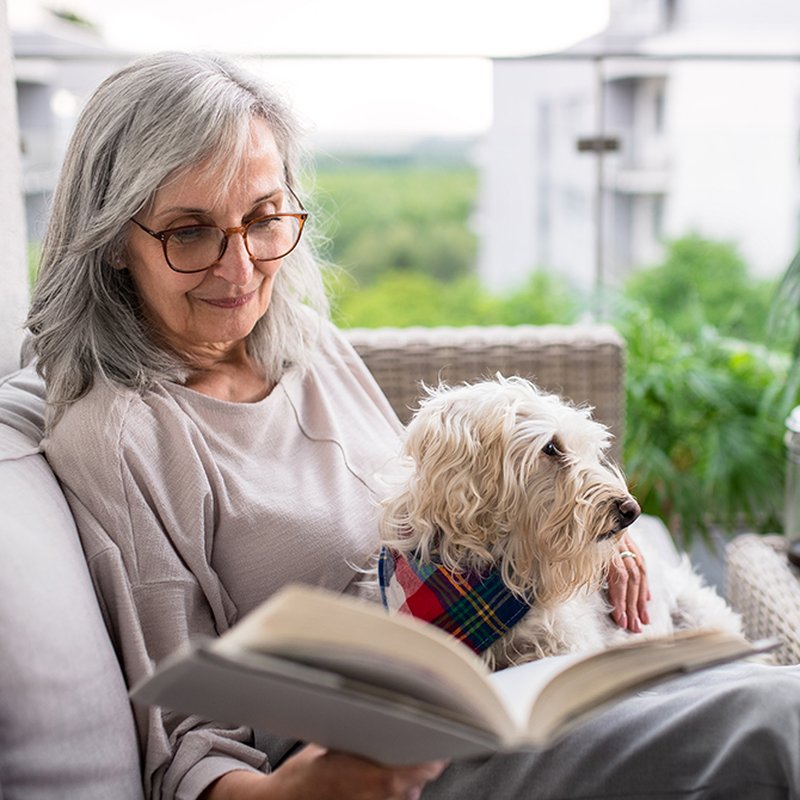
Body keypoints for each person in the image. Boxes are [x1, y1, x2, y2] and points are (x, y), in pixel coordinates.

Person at [26, 51, 800, 800]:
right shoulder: (125, 435)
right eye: (189, 233)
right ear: (115, 242)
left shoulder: (303, 341)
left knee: (766, 694)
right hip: (394, 754)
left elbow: (447, 508)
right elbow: (183, 744)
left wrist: (592, 531)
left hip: (505, 663)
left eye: (264, 219)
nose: (240, 270)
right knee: (780, 722)